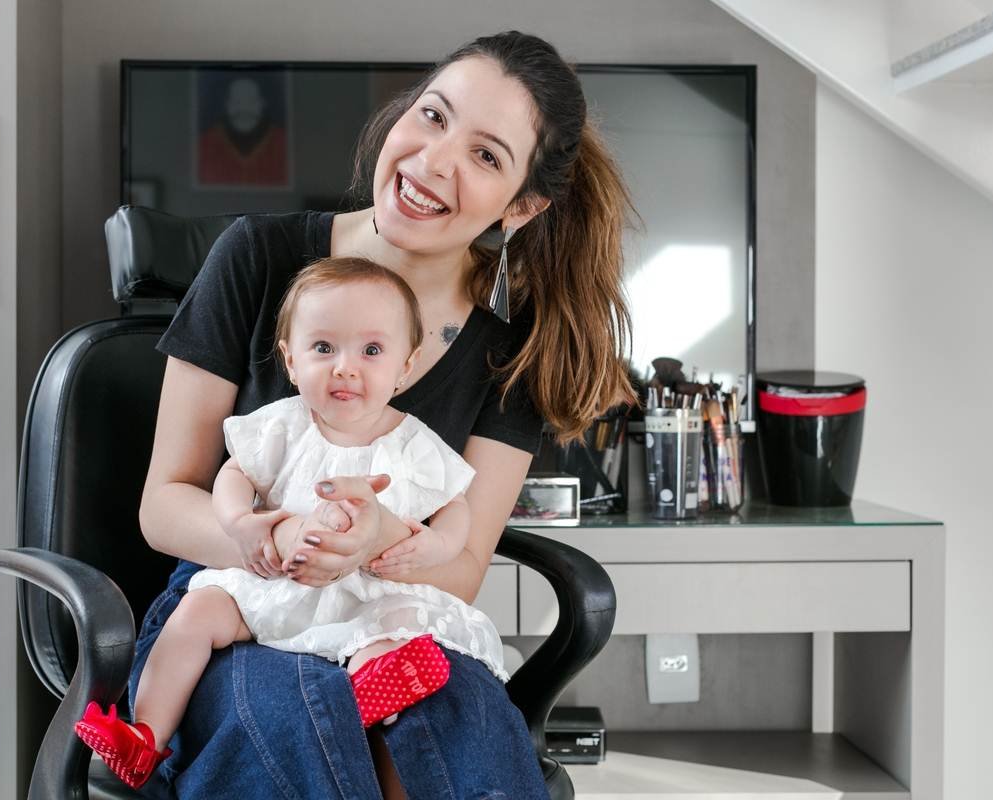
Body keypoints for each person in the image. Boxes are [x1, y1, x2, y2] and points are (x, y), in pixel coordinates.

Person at [133, 30, 639, 799]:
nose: (435, 161)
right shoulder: (256, 258)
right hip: (235, 606)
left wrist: (380, 541)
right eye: (433, 116)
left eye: (486, 156)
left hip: (393, 620)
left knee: (460, 734)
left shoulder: (514, 354)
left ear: (524, 206)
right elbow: (166, 501)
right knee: (298, 724)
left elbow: (460, 571)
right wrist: (267, 538)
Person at [77, 258, 508, 789]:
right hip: (276, 582)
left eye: (371, 351)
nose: (344, 368)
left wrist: (436, 547)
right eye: (323, 349)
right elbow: (235, 473)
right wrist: (240, 522)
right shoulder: (281, 426)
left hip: (365, 593)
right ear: (290, 359)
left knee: (393, 632)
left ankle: (377, 691)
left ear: (405, 366)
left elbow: (455, 506)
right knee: (197, 612)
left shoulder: (413, 443)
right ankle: (145, 735)